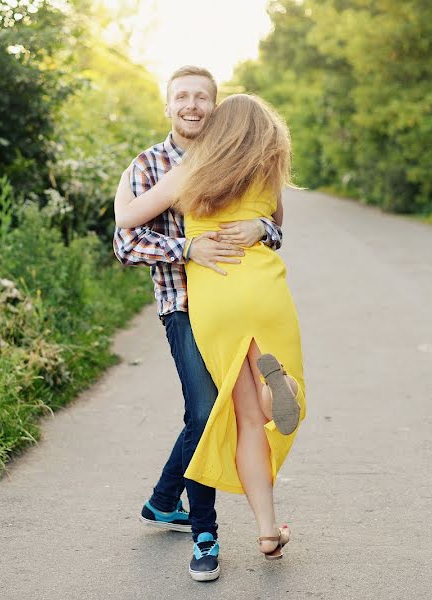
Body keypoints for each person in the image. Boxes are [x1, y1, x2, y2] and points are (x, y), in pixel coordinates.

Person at [114, 93, 306, 562]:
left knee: (245, 422)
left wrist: (125, 185)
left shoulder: (191, 171)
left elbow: (128, 220)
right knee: (265, 409)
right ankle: (275, 388)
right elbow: (276, 226)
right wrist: (258, 225)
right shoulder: (267, 170)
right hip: (263, 288)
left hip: (214, 297)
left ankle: (266, 532)